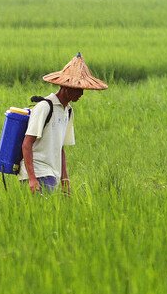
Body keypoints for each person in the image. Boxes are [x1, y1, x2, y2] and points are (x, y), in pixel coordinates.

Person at [20, 53, 107, 194]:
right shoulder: (44, 107)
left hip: (53, 174)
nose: (82, 94)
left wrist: (65, 180)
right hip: (38, 172)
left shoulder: (68, 111)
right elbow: (27, 144)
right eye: (78, 89)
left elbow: (60, 147)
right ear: (65, 87)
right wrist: (32, 179)